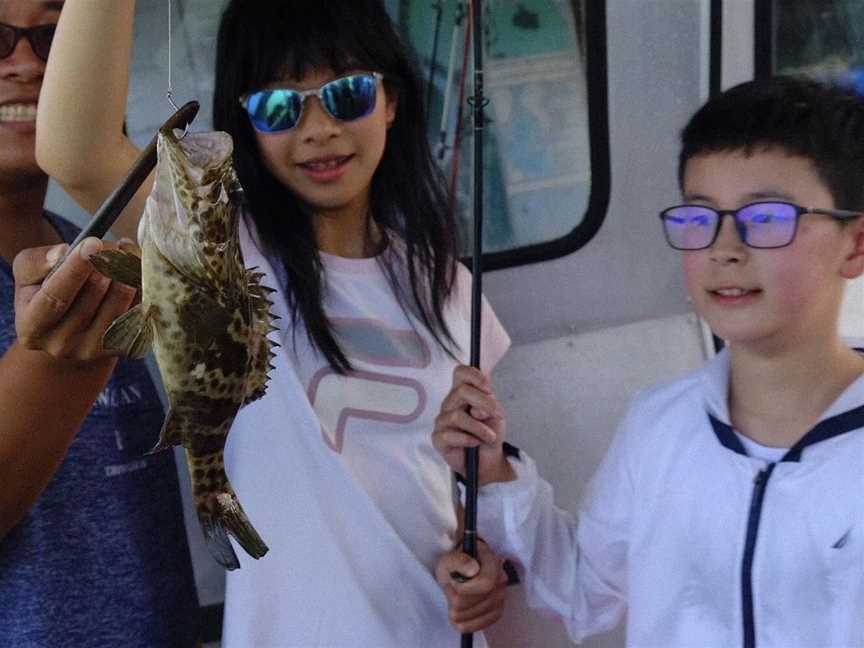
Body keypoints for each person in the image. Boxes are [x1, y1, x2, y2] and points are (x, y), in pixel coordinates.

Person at [36, 0, 511, 645]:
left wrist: (485, 562)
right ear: (247, 127)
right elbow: (76, 151)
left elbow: (456, 483)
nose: (318, 129)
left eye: (346, 95)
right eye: (279, 108)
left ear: (392, 101)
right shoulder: (225, 252)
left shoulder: (450, 286)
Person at [433, 76, 864, 647]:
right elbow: (588, 591)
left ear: (855, 245)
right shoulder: (659, 425)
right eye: (698, 218)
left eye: (766, 218)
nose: (724, 247)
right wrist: (491, 473)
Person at [0, 0, 199, 646]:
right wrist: (54, 369)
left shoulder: (101, 254)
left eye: (52, 38)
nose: (27, 63)